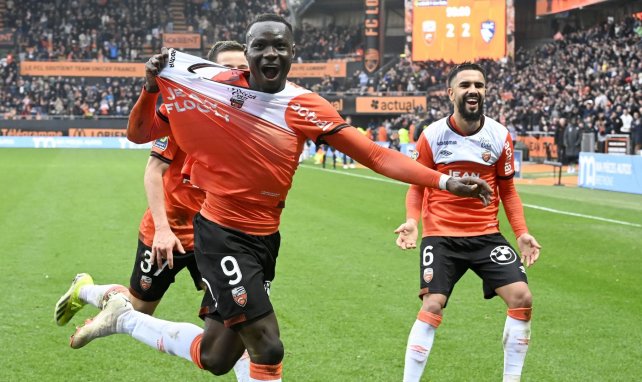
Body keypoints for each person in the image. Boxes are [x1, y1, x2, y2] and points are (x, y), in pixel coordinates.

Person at [67, 14, 492, 382]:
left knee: (217, 357)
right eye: (260, 46)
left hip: (265, 240)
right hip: (221, 236)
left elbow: (375, 155)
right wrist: (149, 87)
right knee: (268, 346)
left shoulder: (305, 106)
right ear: (248, 53)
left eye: (280, 46)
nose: (270, 54)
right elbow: (139, 135)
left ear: (293, 53)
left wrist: (443, 182)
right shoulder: (209, 89)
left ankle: (124, 318)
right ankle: (125, 313)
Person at [55, 41, 251, 381]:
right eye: (229, 71)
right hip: (169, 231)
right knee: (138, 305)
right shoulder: (186, 114)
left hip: (215, 237)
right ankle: (85, 289)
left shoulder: (252, 117)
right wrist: (162, 228)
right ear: (210, 73)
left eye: (243, 72)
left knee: (240, 325)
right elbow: (152, 168)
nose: (236, 78)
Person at [394, 63, 541, 382]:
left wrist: (522, 232)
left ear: (485, 91)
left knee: (522, 298)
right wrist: (411, 221)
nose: (473, 89)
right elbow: (417, 185)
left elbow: (508, 189)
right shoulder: (432, 135)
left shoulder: (500, 135)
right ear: (451, 93)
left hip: (487, 236)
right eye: (465, 85)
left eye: (479, 84)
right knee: (433, 304)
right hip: (442, 237)